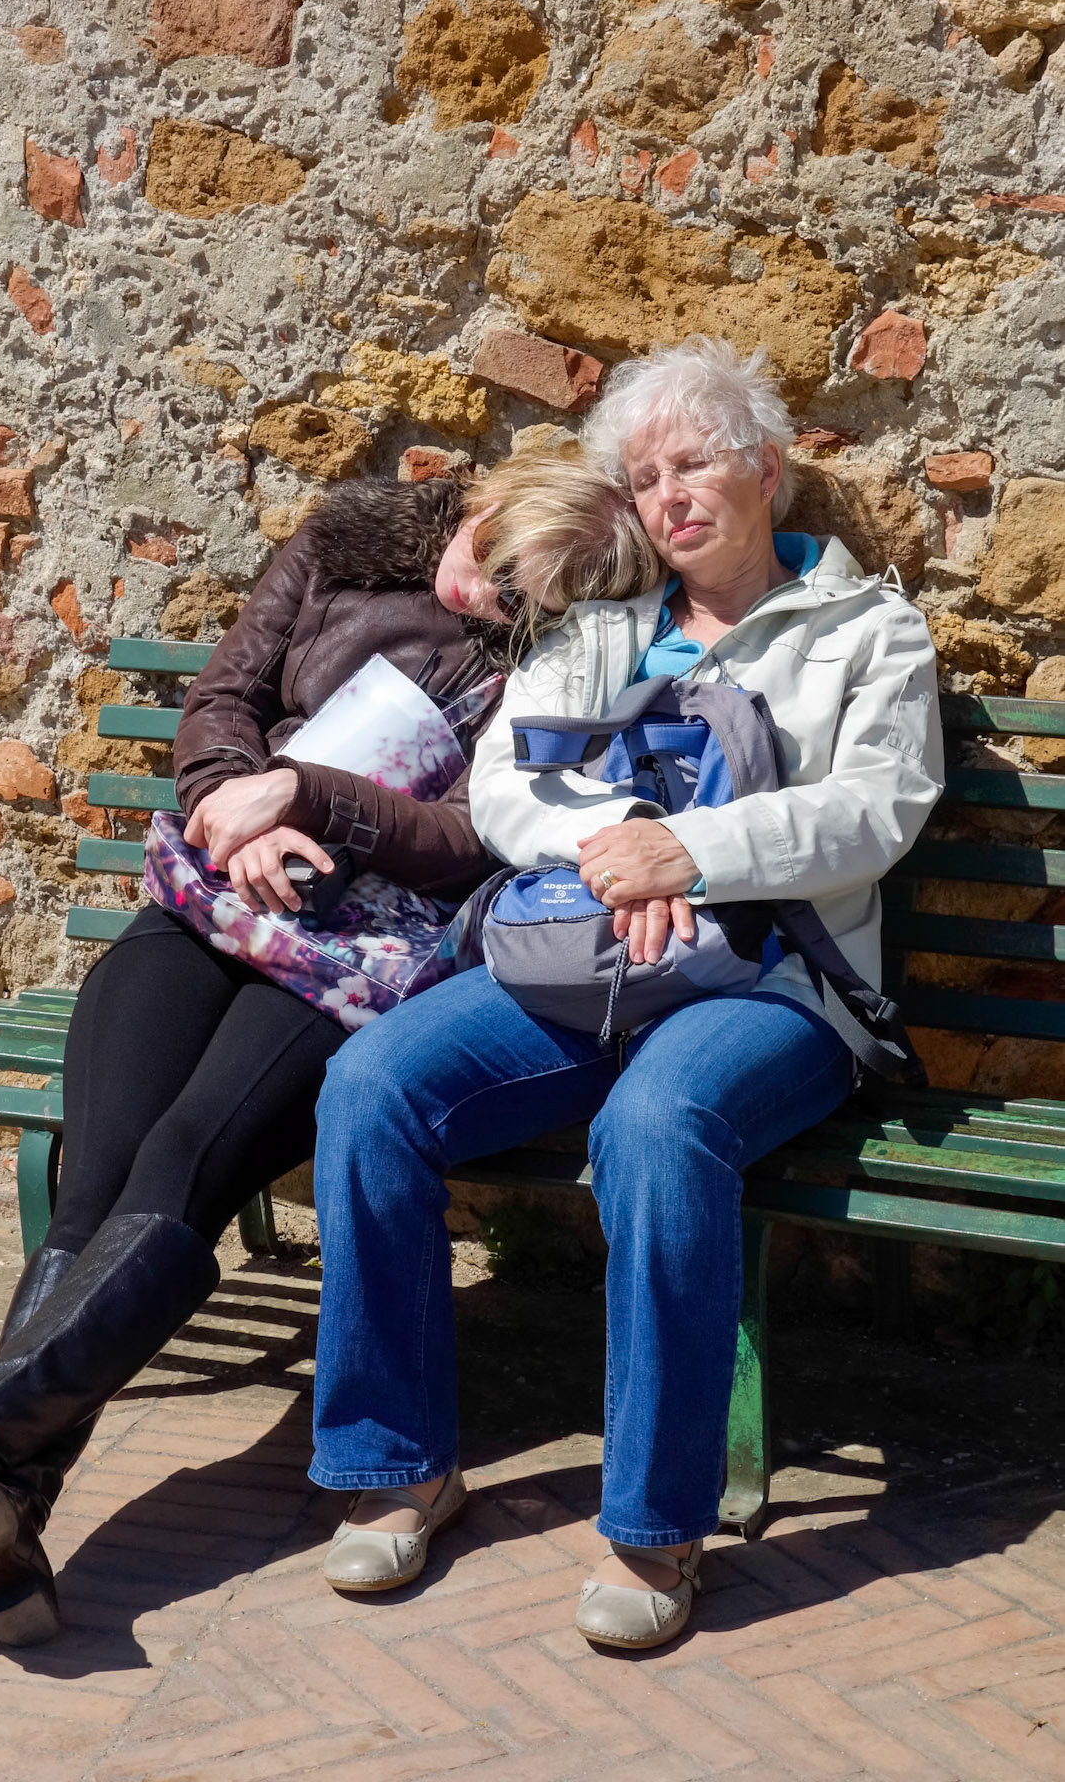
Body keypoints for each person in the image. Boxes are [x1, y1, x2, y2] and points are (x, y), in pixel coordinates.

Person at [0, 448, 658, 1647]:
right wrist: (235, 798)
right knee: (94, 1176)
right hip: (207, 890)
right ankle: (1, 1502)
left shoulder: (550, 658)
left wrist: (306, 801)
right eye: (493, 568)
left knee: (180, 1169)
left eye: (528, 602)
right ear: (480, 507)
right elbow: (223, 696)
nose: (490, 604)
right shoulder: (346, 541)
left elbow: (471, 836)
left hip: (353, 946)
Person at [307, 337, 943, 1651]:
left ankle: (653, 1526)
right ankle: (396, 1463)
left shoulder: (863, 630)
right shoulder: (601, 626)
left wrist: (694, 853)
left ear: (767, 469)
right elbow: (504, 785)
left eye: (694, 461)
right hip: (580, 959)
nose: (670, 496)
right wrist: (621, 849)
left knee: (655, 1126)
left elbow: (871, 811)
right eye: (646, 477)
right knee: (371, 1083)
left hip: (776, 985)